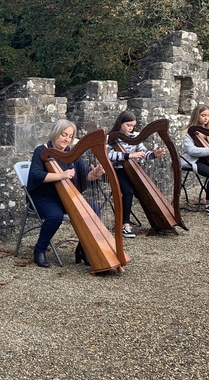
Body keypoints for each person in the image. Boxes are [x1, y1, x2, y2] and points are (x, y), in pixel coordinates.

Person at [27, 119, 105, 267]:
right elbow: (36, 175)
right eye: (64, 135)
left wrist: (95, 174)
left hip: (65, 198)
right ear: (55, 133)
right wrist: (61, 175)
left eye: (70, 136)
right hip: (43, 198)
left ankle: (83, 249)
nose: (67, 139)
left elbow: (85, 175)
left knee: (94, 208)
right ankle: (39, 250)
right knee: (55, 215)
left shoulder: (71, 153)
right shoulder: (41, 151)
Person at [107, 111, 166, 237]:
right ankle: (125, 224)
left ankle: (159, 221)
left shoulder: (134, 137)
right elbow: (109, 155)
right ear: (120, 123)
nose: (130, 128)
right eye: (128, 125)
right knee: (128, 191)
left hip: (131, 170)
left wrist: (154, 154)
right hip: (115, 169)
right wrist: (129, 155)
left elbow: (144, 153)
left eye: (133, 126)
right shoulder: (110, 138)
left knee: (142, 190)